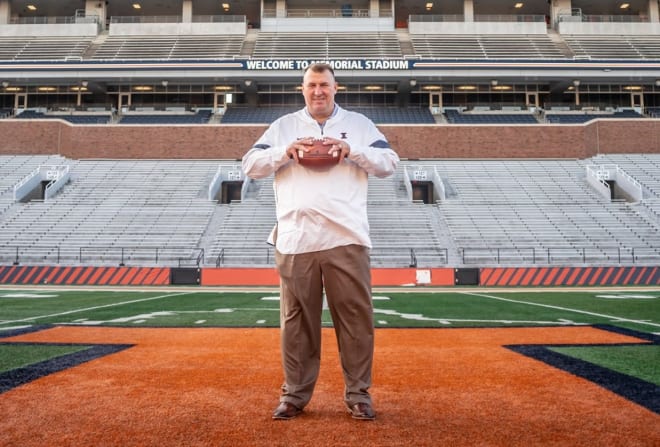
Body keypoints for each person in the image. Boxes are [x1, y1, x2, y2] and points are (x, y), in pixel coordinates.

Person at [241, 63, 399, 421]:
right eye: (312, 85)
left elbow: (389, 162)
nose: (318, 92)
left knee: (355, 320)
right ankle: (294, 394)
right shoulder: (283, 127)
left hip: (346, 236)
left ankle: (359, 394)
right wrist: (286, 151)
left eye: (324, 85)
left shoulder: (359, 124)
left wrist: (350, 149)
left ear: (335, 88)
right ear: (303, 89)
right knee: (297, 323)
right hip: (296, 238)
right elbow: (250, 164)